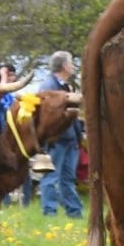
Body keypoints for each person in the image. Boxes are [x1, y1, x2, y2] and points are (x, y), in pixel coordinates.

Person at [34, 50, 83, 218]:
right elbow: (48, 117)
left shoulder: (66, 86)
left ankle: (74, 212)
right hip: (56, 141)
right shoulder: (48, 87)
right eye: (71, 62)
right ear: (64, 66)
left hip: (70, 140)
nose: (73, 66)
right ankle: (49, 212)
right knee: (51, 177)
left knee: (68, 179)